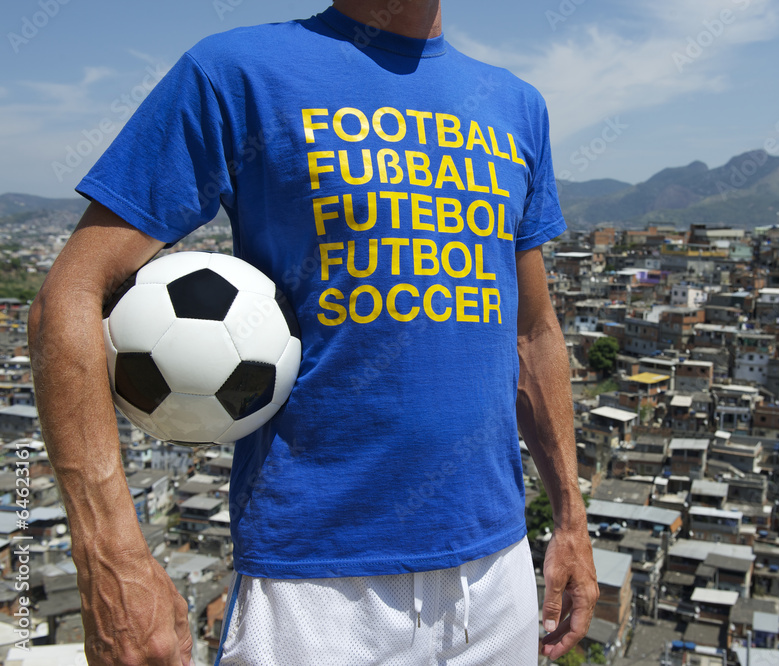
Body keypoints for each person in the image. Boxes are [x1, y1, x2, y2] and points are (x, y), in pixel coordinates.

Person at [28, 1, 598, 664]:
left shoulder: (517, 105)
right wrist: (110, 554)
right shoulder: (236, 73)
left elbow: (533, 334)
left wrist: (572, 519)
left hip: (496, 575)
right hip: (314, 587)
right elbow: (68, 295)